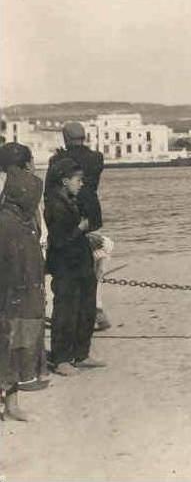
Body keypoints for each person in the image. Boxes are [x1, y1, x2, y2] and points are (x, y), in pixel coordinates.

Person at [0, 151, 50, 421]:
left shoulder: (22, 219)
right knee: (8, 343)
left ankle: (11, 404)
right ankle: (10, 404)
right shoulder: (8, 221)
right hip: (10, 294)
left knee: (14, 345)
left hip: (22, 293)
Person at [45, 159, 106, 376]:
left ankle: (82, 353)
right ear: (64, 181)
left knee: (86, 308)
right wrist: (81, 228)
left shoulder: (70, 200)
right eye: (78, 180)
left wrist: (87, 237)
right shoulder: (55, 205)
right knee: (65, 312)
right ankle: (61, 358)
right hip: (65, 266)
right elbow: (60, 240)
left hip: (80, 262)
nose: (81, 184)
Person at [48, 122, 110, 330]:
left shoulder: (58, 160)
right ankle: (96, 308)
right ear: (84, 136)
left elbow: (53, 188)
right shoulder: (97, 158)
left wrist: (60, 156)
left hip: (67, 215)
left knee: (72, 264)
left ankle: (88, 311)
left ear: (65, 138)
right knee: (97, 258)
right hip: (91, 214)